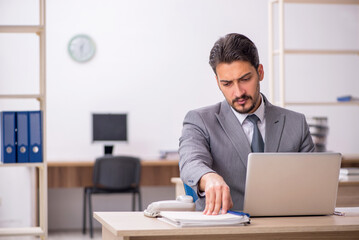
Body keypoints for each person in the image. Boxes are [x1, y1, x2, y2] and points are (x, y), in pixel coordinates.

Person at [179, 33, 315, 215]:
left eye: (245, 79)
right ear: (218, 82)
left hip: (284, 225)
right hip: (225, 228)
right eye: (227, 83)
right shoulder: (200, 121)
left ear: (260, 72)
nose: (238, 92)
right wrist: (208, 177)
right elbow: (190, 162)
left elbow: (313, 182)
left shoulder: (296, 123)